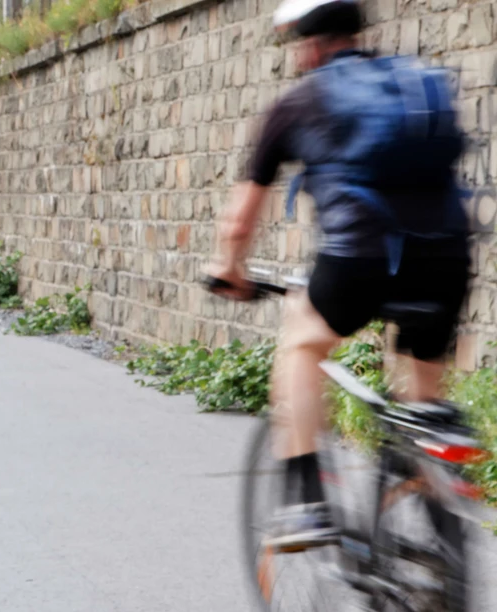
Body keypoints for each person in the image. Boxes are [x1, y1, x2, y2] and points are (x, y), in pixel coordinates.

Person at [205, 0, 473, 552]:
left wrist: (228, 268)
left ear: (308, 46)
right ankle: (441, 545)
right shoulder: (415, 83)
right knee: (423, 405)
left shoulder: (299, 101)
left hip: (359, 261)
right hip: (446, 259)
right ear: (355, 33)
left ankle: (306, 502)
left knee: (302, 344)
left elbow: (239, 222)